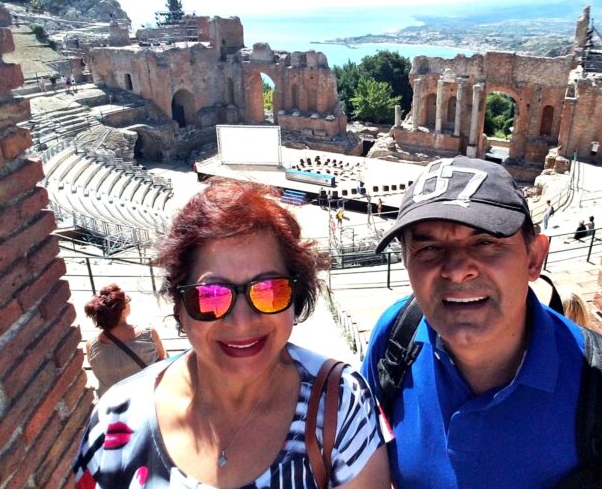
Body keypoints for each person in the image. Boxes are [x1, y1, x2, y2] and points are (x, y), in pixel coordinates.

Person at [361, 156, 602, 488]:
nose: (457, 269)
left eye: (485, 242)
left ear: (534, 258)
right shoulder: (395, 338)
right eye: (428, 247)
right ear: (406, 264)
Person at [75, 180, 390, 489]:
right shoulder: (117, 416)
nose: (242, 322)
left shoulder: (341, 404)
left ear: (295, 295)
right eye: (211, 295)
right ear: (180, 305)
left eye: (269, 290)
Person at [83, 284, 167, 398]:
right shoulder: (148, 334)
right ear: (123, 311)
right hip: (147, 399)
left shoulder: (91, 345)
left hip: (112, 406)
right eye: (128, 300)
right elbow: (164, 362)